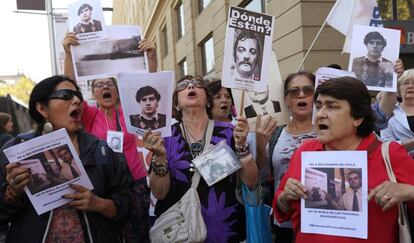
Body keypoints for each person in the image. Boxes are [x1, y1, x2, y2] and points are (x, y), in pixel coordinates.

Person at [273, 76, 414, 243]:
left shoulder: (389, 154)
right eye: (318, 106)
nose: (320, 114)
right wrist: (284, 198)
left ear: (357, 118)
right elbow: (281, 210)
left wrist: (408, 192)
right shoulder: (304, 151)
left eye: (332, 107)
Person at [0, 75, 132, 242]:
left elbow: (126, 204)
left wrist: (98, 204)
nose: (77, 100)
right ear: (42, 109)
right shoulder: (15, 151)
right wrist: (13, 192)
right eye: (66, 95)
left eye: (78, 95)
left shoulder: (101, 150)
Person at [63, 32, 157, 243]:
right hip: (104, 188)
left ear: (117, 91)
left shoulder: (129, 111)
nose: (105, 87)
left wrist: (150, 57)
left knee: (138, 235)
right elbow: (70, 90)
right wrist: (68, 54)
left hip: (135, 183)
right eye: (99, 84)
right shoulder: (88, 115)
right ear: (93, 92)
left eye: (110, 84)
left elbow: (150, 88)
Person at [145, 75, 258, 242]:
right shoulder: (165, 137)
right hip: (181, 234)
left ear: (207, 100)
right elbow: (160, 193)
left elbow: (251, 182)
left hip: (226, 230)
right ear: (176, 103)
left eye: (197, 84)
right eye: (184, 85)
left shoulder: (230, 132)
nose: (191, 86)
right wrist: (160, 157)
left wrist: (241, 146)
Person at [252, 71, 316, 243]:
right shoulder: (276, 134)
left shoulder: (328, 131)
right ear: (286, 100)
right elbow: (261, 172)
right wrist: (260, 144)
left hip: (319, 218)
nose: (301, 95)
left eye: (308, 90)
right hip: (284, 219)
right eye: (294, 92)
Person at [381, 69, 414, 157]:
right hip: (402, 165)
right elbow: (387, 146)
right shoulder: (388, 112)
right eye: (406, 83)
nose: (410, 86)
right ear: (398, 91)